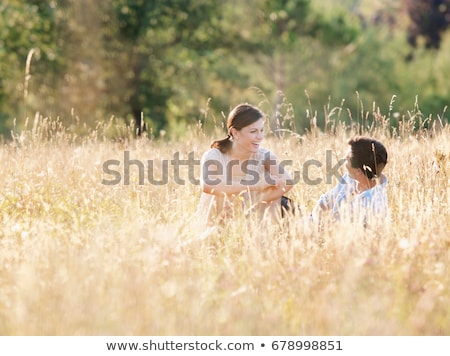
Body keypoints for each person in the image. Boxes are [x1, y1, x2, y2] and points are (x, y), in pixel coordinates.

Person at [197, 103, 293, 225]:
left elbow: (287, 181)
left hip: (247, 220)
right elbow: (208, 186)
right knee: (222, 192)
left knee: (275, 193)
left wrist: (257, 200)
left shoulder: (264, 155)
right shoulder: (214, 156)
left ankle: (265, 238)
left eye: (261, 131)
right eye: (253, 131)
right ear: (235, 133)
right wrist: (256, 185)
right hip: (214, 223)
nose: (260, 137)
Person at [312, 136, 388, 227]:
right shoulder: (349, 179)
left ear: (358, 171)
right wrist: (316, 223)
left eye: (347, 159)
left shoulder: (375, 204)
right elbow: (324, 202)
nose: (344, 161)